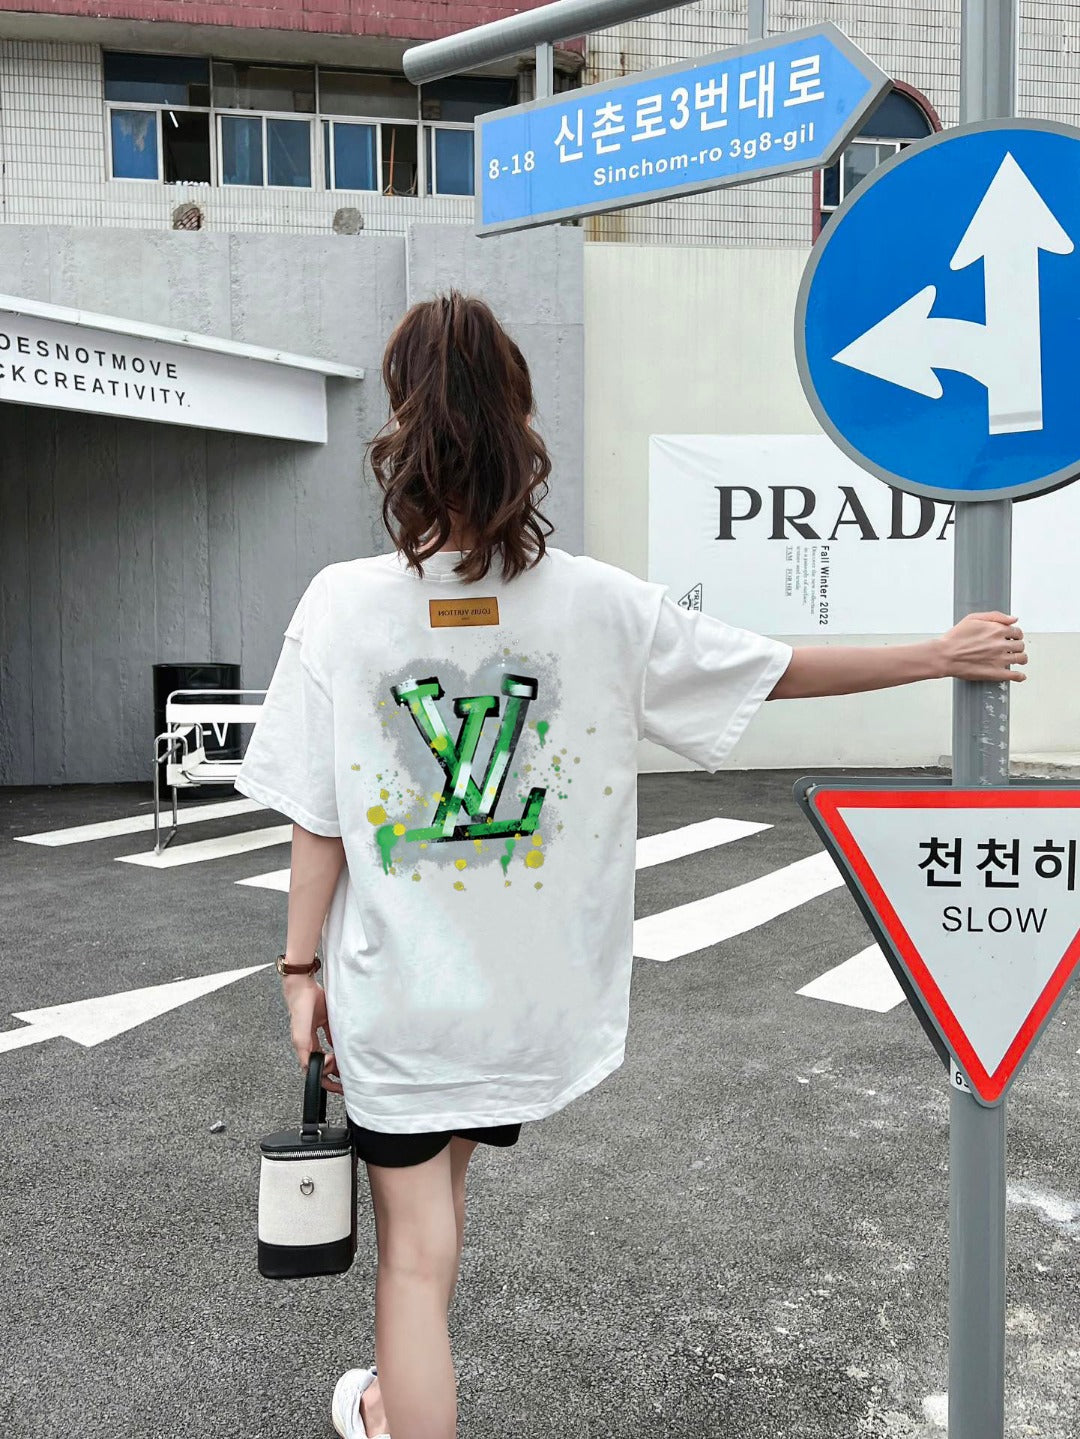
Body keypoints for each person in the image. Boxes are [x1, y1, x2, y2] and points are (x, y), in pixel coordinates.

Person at [232, 291, 1028, 1439]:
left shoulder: (342, 605)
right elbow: (771, 667)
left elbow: (317, 816)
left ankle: (400, 1404)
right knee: (442, 1213)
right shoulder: (597, 603)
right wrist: (936, 653)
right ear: (519, 425)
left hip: (399, 995)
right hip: (526, 1002)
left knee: (412, 1256)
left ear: (401, 431)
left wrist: (298, 968)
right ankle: (392, 1399)